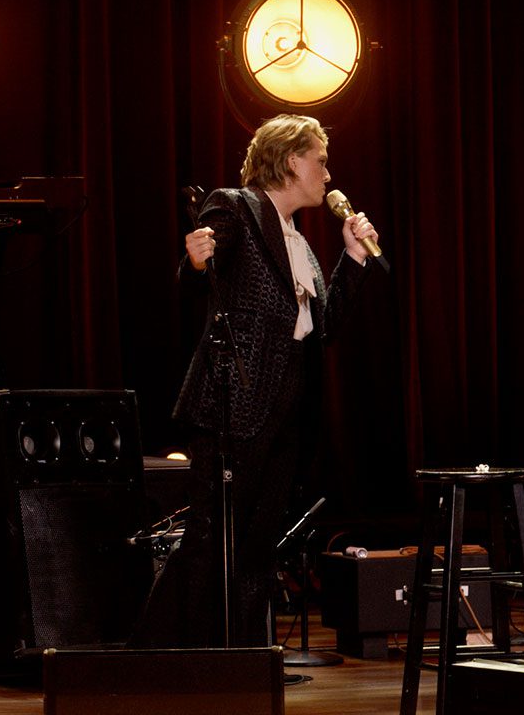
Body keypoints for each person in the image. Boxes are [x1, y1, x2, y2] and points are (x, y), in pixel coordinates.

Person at [130, 114, 379, 648]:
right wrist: (194, 262)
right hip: (234, 403)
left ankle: (241, 655)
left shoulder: (303, 246)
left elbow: (325, 326)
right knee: (210, 538)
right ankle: (159, 654)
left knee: (257, 543)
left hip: (285, 408)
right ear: (291, 160)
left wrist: (354, 257)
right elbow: (201, 272)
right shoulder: (236, 207)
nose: (328, 175)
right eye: (321, 161)